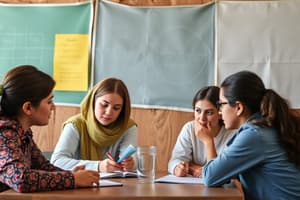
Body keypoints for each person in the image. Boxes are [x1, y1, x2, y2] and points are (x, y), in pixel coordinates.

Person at [0, 65, 100, 193]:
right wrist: (73, 178)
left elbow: (43, 166)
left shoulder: (22, 132)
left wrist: (70, 174)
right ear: (28, 108)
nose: (53, 107)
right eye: (49, 102)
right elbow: (21, 179)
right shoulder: (4, 133)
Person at [202, 71, 300, 199]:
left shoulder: (254, 135)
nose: (220, 112)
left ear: (238, 108)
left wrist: (208, 141)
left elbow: (210, 176)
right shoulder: (264, 126)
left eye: (221, 104)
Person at [51, 77, 137, 173]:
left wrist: (131, 164)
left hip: (118, 186)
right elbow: (57, 162)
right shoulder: (75, 125)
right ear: (93, 102)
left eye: (116, 108)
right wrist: (97, 166)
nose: (109, 112)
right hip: (80, 186)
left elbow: (133, 161)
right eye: (104, 105)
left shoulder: (128, 127)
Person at [168, 86, 235, 177]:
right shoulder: (189, 128)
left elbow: (216, 174)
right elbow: (175, 160)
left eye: (209, 112)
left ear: (220, 113)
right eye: (198, 111)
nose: (202, 118)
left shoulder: (232, 134)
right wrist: (178, 168)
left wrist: (208, 141)